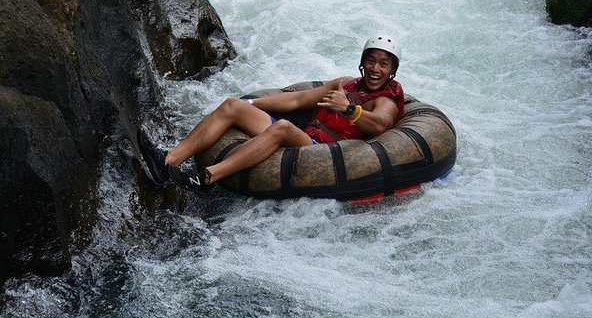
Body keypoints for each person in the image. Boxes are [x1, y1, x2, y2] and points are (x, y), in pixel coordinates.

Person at [138, 36, 405, 193]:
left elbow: (381, 125)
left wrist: (348, 109)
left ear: (392, 69)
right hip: (307, 136)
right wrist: (253, 103)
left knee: (283, 128)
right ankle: (168, 161)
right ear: (362, 62)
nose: (375, 69)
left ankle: (206, 177)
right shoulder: (344, 83)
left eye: (383, 63)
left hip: (326, 151)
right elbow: (298, 99)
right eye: (371, 61)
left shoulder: (385, 101)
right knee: (233, 105)